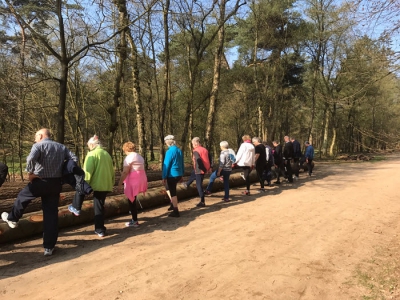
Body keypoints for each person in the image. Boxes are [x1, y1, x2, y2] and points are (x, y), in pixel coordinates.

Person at [1, 128, 77, 256]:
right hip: (55, 184)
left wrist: (30, 173)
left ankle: (13, 218)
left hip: (40, 181)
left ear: (41, 136)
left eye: (36, 136)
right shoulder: (61, 147)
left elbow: (30, 159)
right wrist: (64, 173)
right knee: (51, 214)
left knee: (23, 196)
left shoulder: (38, 146)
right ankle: (49, 247)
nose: (34, 139)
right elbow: (74, 159)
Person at [68, 135, 114, 237]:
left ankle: (76, 208)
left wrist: (84, 183)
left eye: (88, 145)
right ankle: (100, 229)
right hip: (106, 184)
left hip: (96, 183)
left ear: (92, 144)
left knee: (94, 204)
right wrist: (111, 182)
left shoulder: (92, 154)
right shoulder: (107, 154)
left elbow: (87, 171)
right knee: (99, 206)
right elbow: (112, 170)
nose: (88, 147)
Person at [117, 142, 148, 227]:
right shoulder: (139, 156)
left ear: (126, 149)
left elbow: (125, 172)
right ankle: (134, 218)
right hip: (141, 179)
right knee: (133, 199)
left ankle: (134, 220)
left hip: (133, 180)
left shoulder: (129, 158)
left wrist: (120, 183)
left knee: (131, 200)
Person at [162, 135, 184, 217]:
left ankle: (176, 210)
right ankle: (172, 204)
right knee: (168, 188)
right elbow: (182, 163)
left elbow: (166, 165)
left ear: (168, 142)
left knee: (173, 192)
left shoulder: (169, 152)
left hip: (172, 175)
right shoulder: (179, 150)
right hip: (178, 174)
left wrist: (164, 176)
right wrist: (182, 174)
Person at [190, 137, 211, 207]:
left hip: (200, 169)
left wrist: (203, 168)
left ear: (195, 144)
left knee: (199, 185)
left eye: (192, 144)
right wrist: (210, 167)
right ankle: (187, 184)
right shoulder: (204, 149)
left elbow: (198, 160)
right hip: (204, 168)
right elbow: (210, 157)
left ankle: (202, 201)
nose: (192, 145)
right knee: (193, 174)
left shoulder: (196, 151)